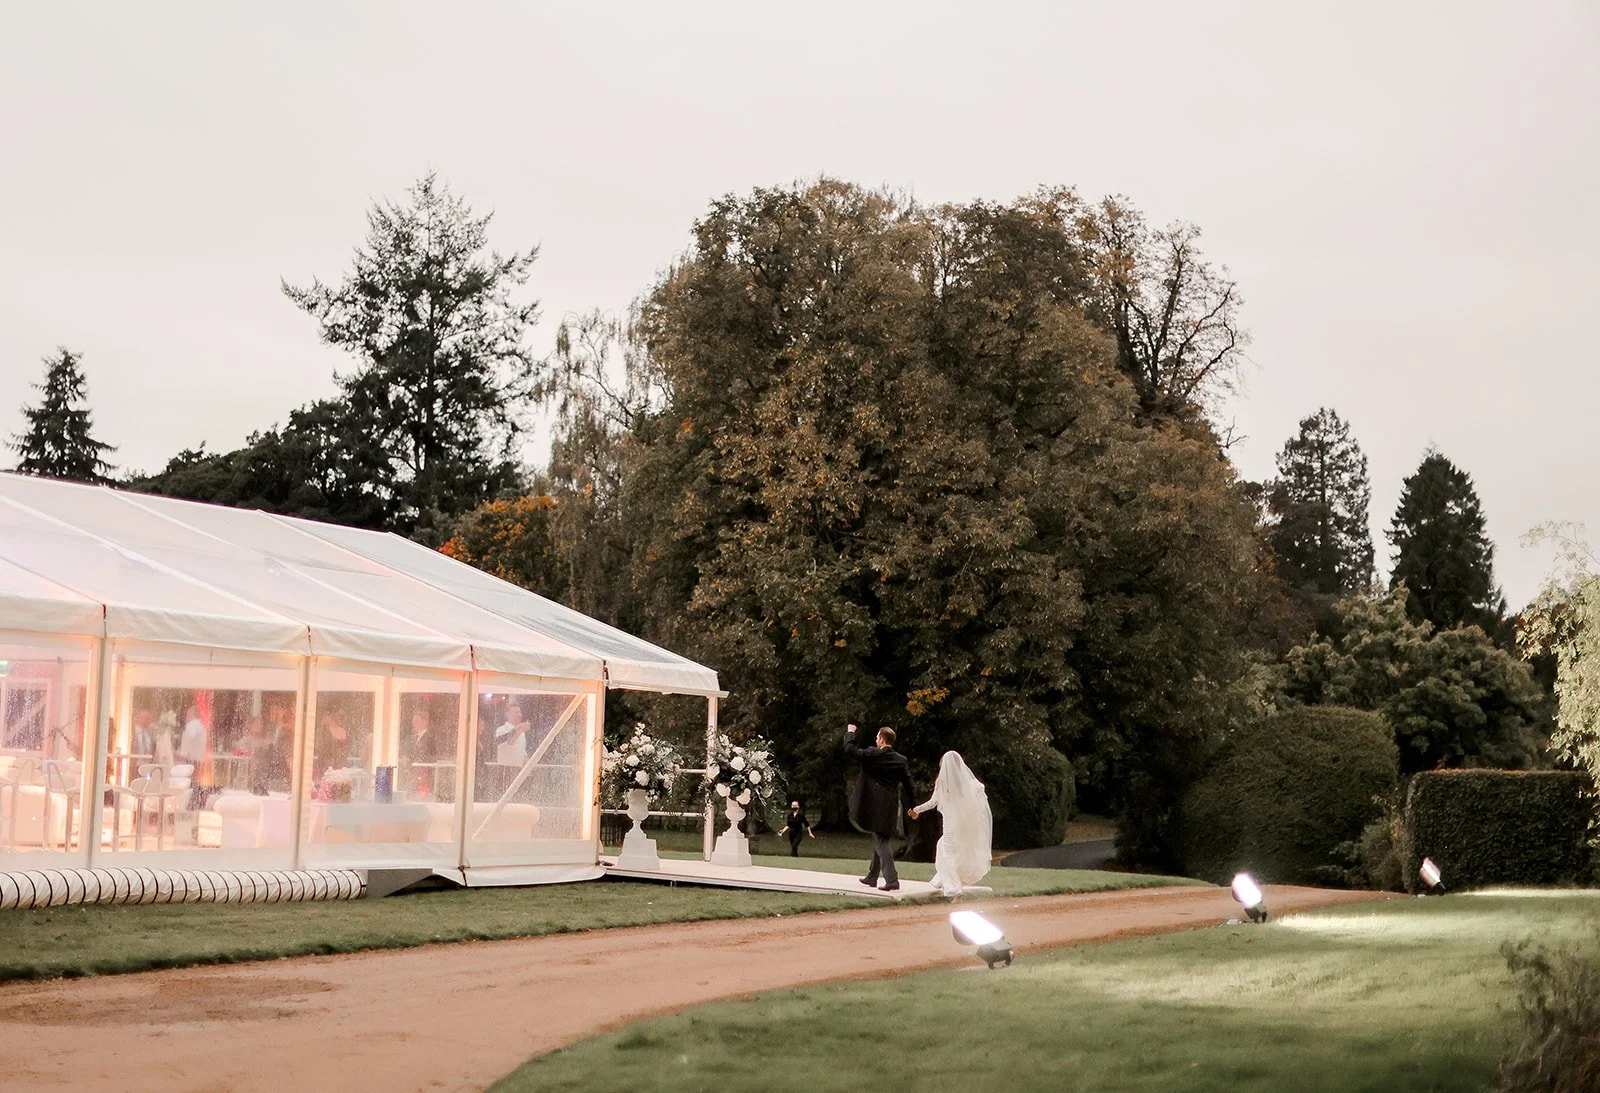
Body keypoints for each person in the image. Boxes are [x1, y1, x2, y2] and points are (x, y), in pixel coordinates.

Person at [909, 751, 993, 898]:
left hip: (950, 826)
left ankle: (953, 887)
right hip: (963, 826)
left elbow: (933, 802)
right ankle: (941, 880)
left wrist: (917, 810)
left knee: (945, 851)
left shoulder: (942, 783)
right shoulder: (967, 783)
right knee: (954, 851)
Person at [842, 723, 915, 892]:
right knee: (880, 836)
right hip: (890, 805)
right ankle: (872, 877)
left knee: (881, 841)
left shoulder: (872, 754)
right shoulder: (900, 760)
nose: (876, 740)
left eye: (876, 737)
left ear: (881, 739)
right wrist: (912, 807)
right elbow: (909, 785)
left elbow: (849, 750)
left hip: (873, 804)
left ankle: (892, 880)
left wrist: (850, 732)